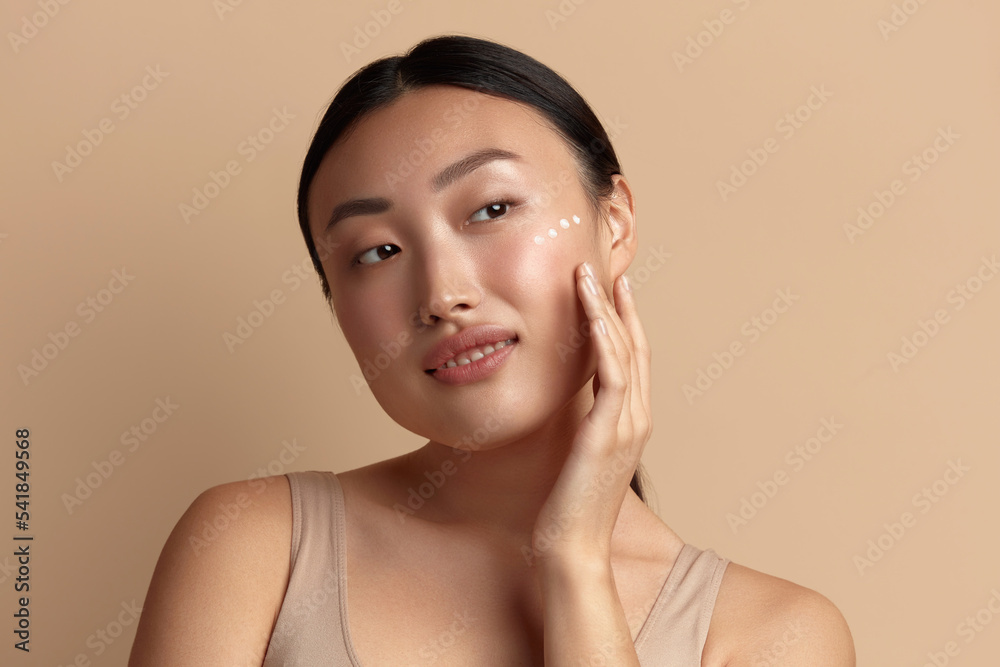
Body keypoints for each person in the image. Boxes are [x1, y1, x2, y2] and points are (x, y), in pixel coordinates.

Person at [129, 34, 855, 665]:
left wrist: (573, 561)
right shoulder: (253, 548)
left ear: (616, 223)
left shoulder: (773, 635)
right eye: (377, 251)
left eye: (490, 209)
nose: (442, 293)